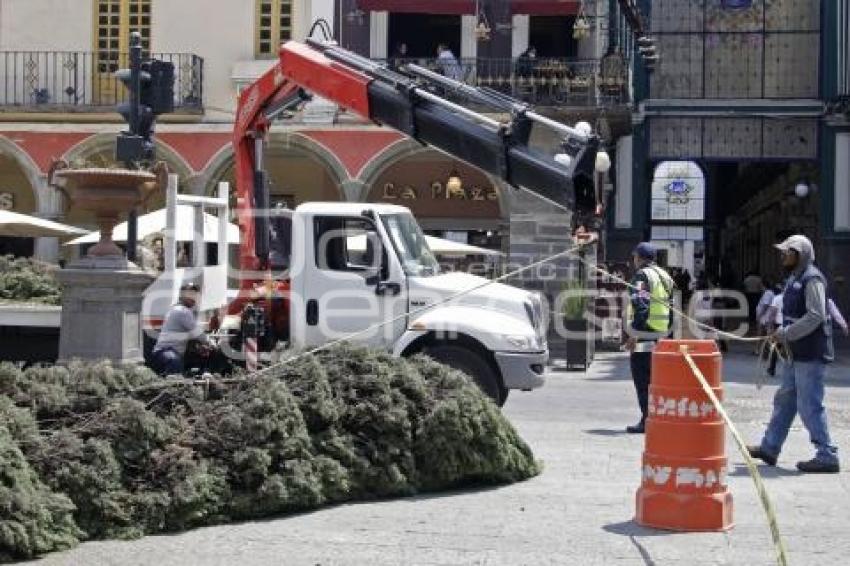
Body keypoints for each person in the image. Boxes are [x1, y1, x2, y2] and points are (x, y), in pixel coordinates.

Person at [748, 235, 840, 473]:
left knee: (809, 404)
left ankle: (826, 454)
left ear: (800, 254)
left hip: (809, 352)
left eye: (787, 252)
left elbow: (816, 315)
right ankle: (770, 447)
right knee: (786, 400)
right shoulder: (794, 278)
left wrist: (786, 332)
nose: (782, 256)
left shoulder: (812, 279)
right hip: (794, 351)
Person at [624, 242, 675, 433]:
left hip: (645, 336)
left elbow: (641, 305)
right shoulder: (665, 275)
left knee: (643, 380)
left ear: (638, 257)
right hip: (662, 335)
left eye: (634, 257)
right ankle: (658, 417)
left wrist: (634, 335)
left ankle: (647, 420)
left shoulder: (642, 276)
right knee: (657, 381)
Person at [149, 283, 211, 376]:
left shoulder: (176, 309)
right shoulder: (183, 311)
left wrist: (200, 345)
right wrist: (212, 343)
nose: (194, 298)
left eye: (195, 295)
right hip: (167, 353)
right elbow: (198, 333)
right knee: (176, 367)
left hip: (164, 353)